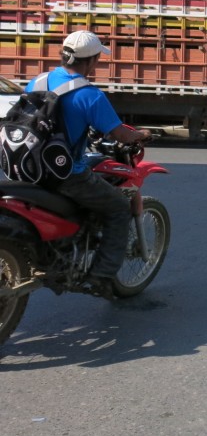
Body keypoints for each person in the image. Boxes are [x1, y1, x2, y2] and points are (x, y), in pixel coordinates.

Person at [31, 30, 152, 298]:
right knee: (119, 208)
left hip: (29, 168)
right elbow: (119, 133)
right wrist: (141, 135)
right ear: (91, 61)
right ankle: (100, 276)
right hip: (65, 174)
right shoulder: (89, 94)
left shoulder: (37, 81)